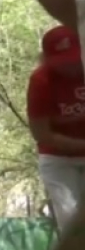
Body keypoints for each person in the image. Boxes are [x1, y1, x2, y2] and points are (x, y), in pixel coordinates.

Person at [27, 26, 85, 235]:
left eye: (74, 58)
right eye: (63, 62)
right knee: (70, 219)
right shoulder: (41, 81)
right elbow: (42, 134)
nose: (70, 66)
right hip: (58, 158)